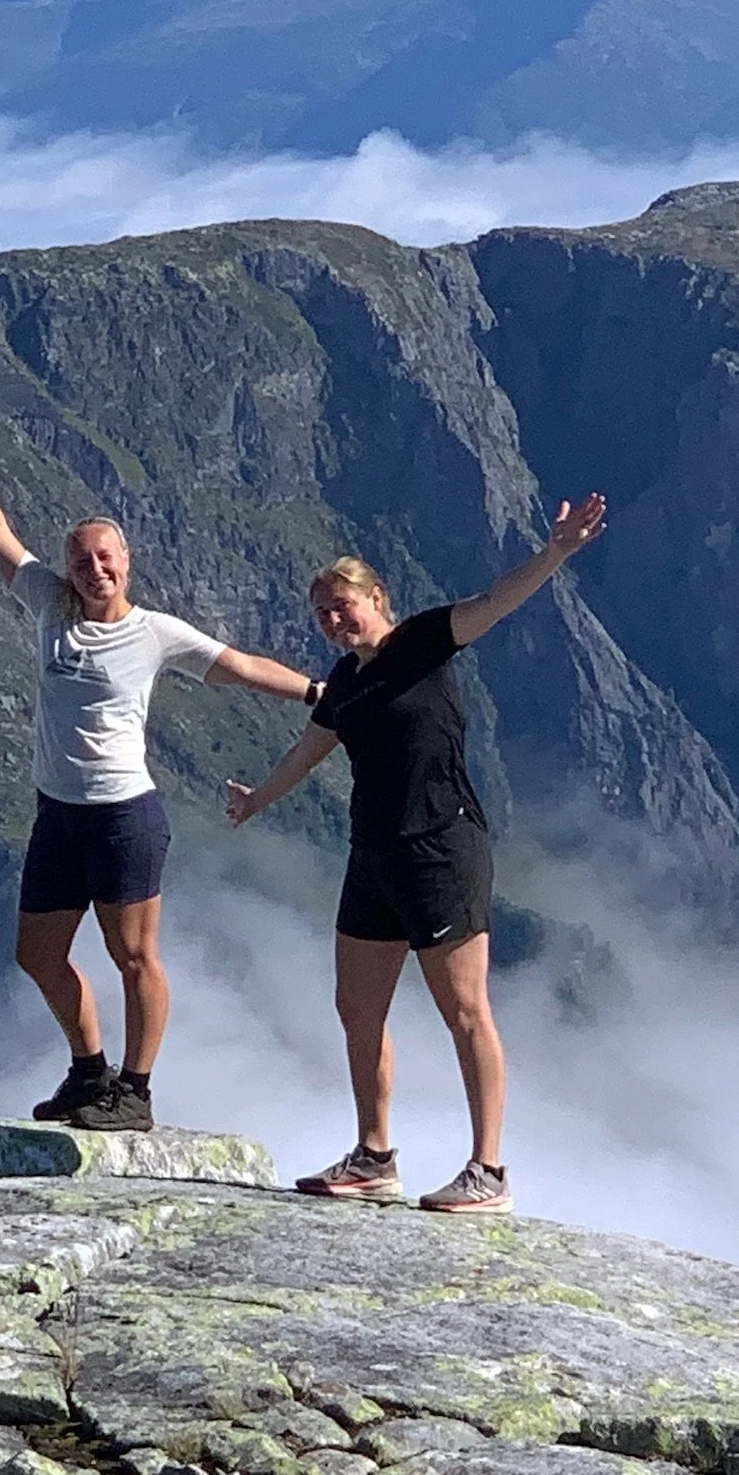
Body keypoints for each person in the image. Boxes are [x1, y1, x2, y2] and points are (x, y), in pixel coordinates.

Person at [0, 393, 320, 1133]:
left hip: (124, 817)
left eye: (106, 558)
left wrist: (320, 692)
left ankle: (135, 1091)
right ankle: (87, 1071)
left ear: (127, 563)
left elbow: (238, 666)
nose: (94, 569)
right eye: (82, 561)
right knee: (38, 954)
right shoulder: (48, 603)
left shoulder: (156, 634)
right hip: (57, 814)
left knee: (134, 956)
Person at [226, 495, 606, 1214]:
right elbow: (311, 750)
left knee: (464, 1010)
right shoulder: (345, 681)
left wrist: (555, 553)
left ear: (377, 598)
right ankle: (374, 1156)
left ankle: (488, 1171)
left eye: (344, 605)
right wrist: (256, 801)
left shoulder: (427, 640)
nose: (335, 621)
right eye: (323, 614)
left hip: (442, 848)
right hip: (373, 854)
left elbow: (497, 600)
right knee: (356, 1007)